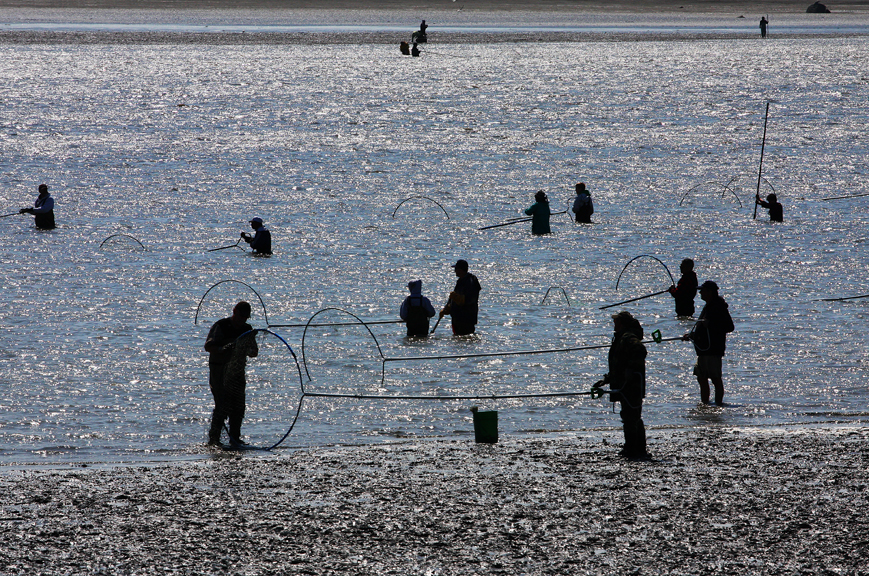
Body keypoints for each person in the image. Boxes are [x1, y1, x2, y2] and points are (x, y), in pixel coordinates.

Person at [593, 311, 649, 459]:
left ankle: (633, 449)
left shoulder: (628, 337)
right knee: (630, 416)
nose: (614, 324)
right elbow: (618, 363)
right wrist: (607, 379)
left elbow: (640, 351)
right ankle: (636, 448)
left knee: (631, 417)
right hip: (624, 384)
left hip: (632, 385)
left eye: (616, 321)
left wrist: (630, 370)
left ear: (622, 323)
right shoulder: (621, 338)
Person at [203, 301, 259, 447]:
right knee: (222, 405)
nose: (242, 320)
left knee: (239, 406)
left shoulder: (247, 329)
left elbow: (254, 352)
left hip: (237, 372)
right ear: (234, 311)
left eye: (246, 317)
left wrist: (250, 349)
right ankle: (214, 439)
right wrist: (223, 348)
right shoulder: (221, 326)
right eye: (241, 316)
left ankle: (235, 438)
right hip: (219, 370)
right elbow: (208, 346)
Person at [683, 281, 734, 406]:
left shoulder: (719, 307)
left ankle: (718, 405)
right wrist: (692, 335)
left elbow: (729, 327)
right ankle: (705, 405)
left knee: (715, 379)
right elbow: (702, 328)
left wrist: (710, 325)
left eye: (702, 290)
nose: (700, 293)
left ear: (710, 292)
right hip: (703, 350)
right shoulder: (708, 306)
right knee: (701, 378)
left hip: (713, 350)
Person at [439, 259, 482, 336]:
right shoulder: (460, 281)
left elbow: (471, 299)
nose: (455, 271)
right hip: (457, 318)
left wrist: (458, 298)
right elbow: (453, 298)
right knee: (458, 339)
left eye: (456, 269)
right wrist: (447, 308)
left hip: (466, 318)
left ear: (461, 269)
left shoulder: (471, 280)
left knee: (466, 336)